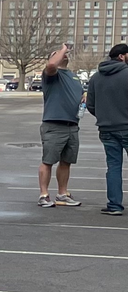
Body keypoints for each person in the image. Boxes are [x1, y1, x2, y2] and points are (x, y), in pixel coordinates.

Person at [37, 43, 84, 208]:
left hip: (72, 124)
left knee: (66, 161)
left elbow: (78, 94)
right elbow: (51, 65)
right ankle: (43, 195)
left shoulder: (74, 76)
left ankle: (62, 194)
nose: (64, 55)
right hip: (54, 124)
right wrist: (63, 49)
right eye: (57, 54)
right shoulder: (51, 74)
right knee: (48, 161)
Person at [88, 41, 128, 216]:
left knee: (113, 166)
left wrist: (104, 116)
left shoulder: (96, 77)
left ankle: (114, 205)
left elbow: (90, 104)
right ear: (122, 56)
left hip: (107, 129)